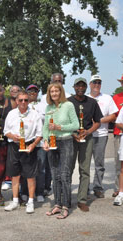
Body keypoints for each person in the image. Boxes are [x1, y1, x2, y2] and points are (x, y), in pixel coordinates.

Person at [43, 83, 79, 219]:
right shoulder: (49, 107)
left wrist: (59, 126)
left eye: (56, 91)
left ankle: (66, 205)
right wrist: (45, 140)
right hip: (52, 143)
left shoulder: (68, 105)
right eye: (51, 91)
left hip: (66, 141)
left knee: (64, 175)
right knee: (55, 175)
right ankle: (57, 204)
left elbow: (75, 125)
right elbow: (46, 127)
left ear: (61, 92)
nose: (54, 94)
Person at [3, 91, 42, 214]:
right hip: (14, 146)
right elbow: (5, 131)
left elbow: (40, 134)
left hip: (29, 146)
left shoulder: (35, 114)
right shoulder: (11, 113)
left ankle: (30, 202)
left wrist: (33, 145)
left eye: (26, 100)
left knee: (30, 176)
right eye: (21, 100)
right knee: (15, 175)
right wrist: (12, 136)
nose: (23, 103)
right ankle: (15, 201)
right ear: (16, 101)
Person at [68, 77, 103, 212]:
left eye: (83, 86)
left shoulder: (92, 102)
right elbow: (64, 122)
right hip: (71, 138)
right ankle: (66, 198)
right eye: (78, 86)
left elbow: (98, 121)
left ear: (86, 87)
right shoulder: (68, 102)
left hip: (86, 138)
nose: (80, 88)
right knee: (69, 169)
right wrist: (73, 134)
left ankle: (82, 199)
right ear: (74, 87)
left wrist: (87, 132)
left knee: (85, 169)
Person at [88, 75, 118, 198]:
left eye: (99, 82)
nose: (97, 84)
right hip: (87, 134)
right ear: (90, 84)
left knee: (99, 163)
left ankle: (97, 187)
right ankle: (84, 187)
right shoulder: (85, 98)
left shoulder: (107, 98)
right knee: (84, 164)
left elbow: (113, 116)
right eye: (94, 82)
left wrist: (99, 120)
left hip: (101, 135)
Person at [1, 85, 21, 191]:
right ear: (9, 92)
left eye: (17, 90)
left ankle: (19, 182)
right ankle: (8, 181)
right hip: (7, 135)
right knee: (8, 161)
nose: (15, 92)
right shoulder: (6, 102)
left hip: (20, 137)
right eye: (12, 91)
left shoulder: (23, 102)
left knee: (20, 161)